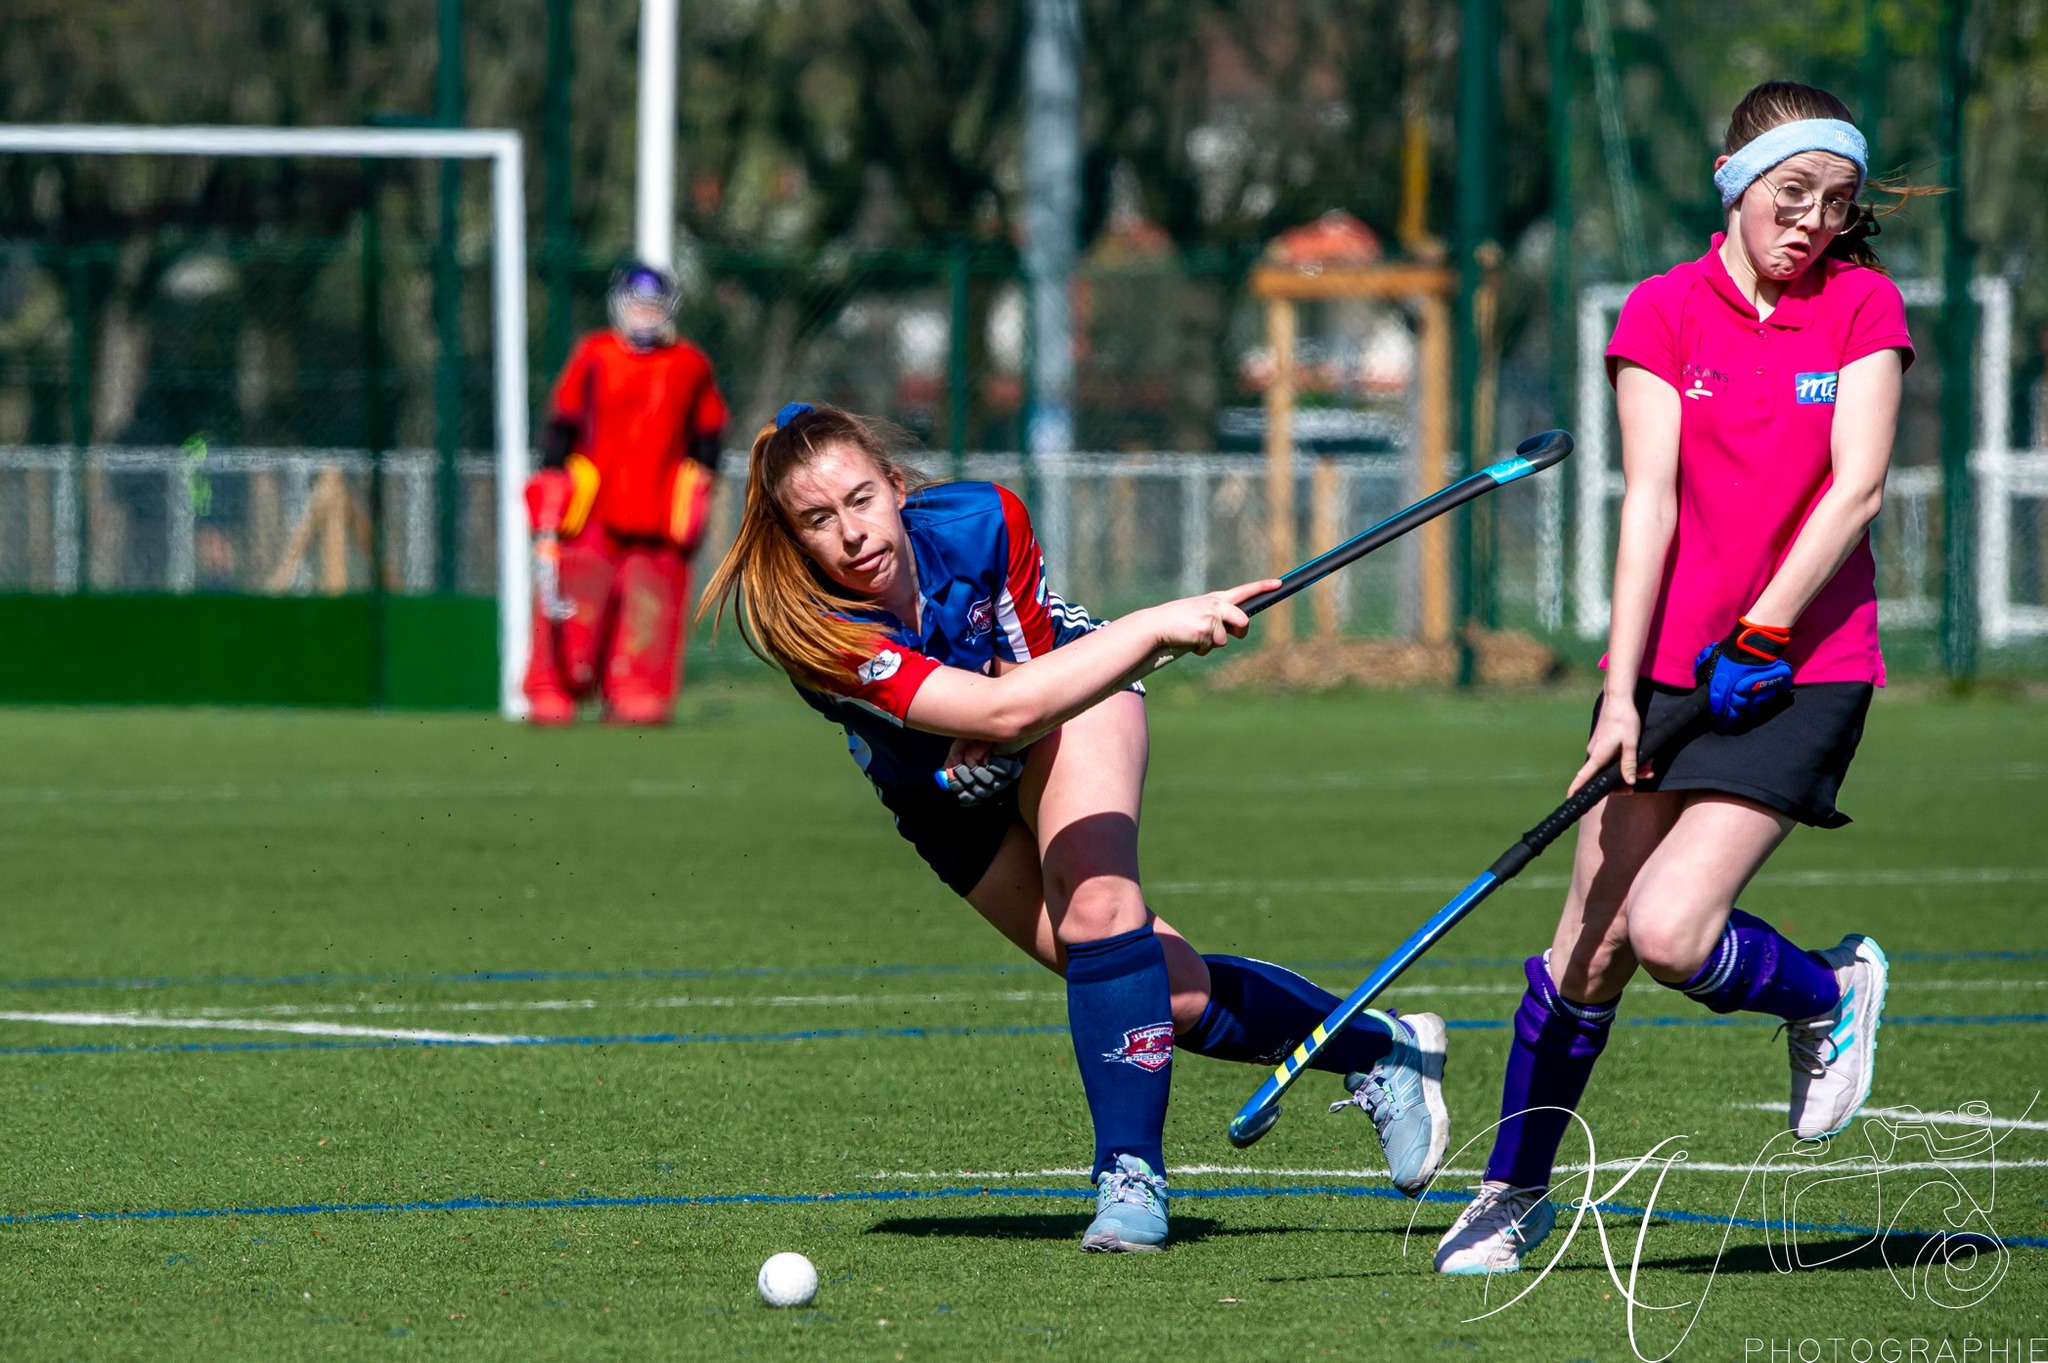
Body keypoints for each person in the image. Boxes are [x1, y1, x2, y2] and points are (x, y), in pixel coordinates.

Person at [700, 402, 1450, 1253]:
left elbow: (1034, 687)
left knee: (1098, 912)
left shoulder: (985, 520)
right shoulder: (812, 627)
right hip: (940, 794)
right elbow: (995, 707)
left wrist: (1101, 662)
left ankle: (1130, 1177)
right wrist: (1156, 624)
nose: (852, 533)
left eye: (862, 499)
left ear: (896, 486)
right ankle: (1383, 1050)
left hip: (1072, 691)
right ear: (794, 538)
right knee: (1162, 991)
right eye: (818, 519)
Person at [1435, 81, 1921, 1275]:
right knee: (1584, 946)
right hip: (1668, 670)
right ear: (1733, 185)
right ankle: (1511, 1192)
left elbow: (1852, 488)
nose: (1809, 220)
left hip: (1802, 668)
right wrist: (1617, 693)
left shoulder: (1861, 307)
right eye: (1789, 192)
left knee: (1666, 929)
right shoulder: (1660, 314)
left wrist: (1761, 629)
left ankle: (1823, 992)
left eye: (1833, 201)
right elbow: (1646, 504)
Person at [523, 262, 730, 724]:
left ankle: (638, 691)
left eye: (654, 303)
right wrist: (553, 486)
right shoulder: (594, 354)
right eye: (637, 302)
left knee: (649, 612)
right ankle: (553, 686)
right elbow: (562, 425)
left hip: (658, 519)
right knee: (575, 606)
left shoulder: (689, 364)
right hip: (591, 513)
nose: (645, 311)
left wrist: (698, 490)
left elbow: (709, 434)